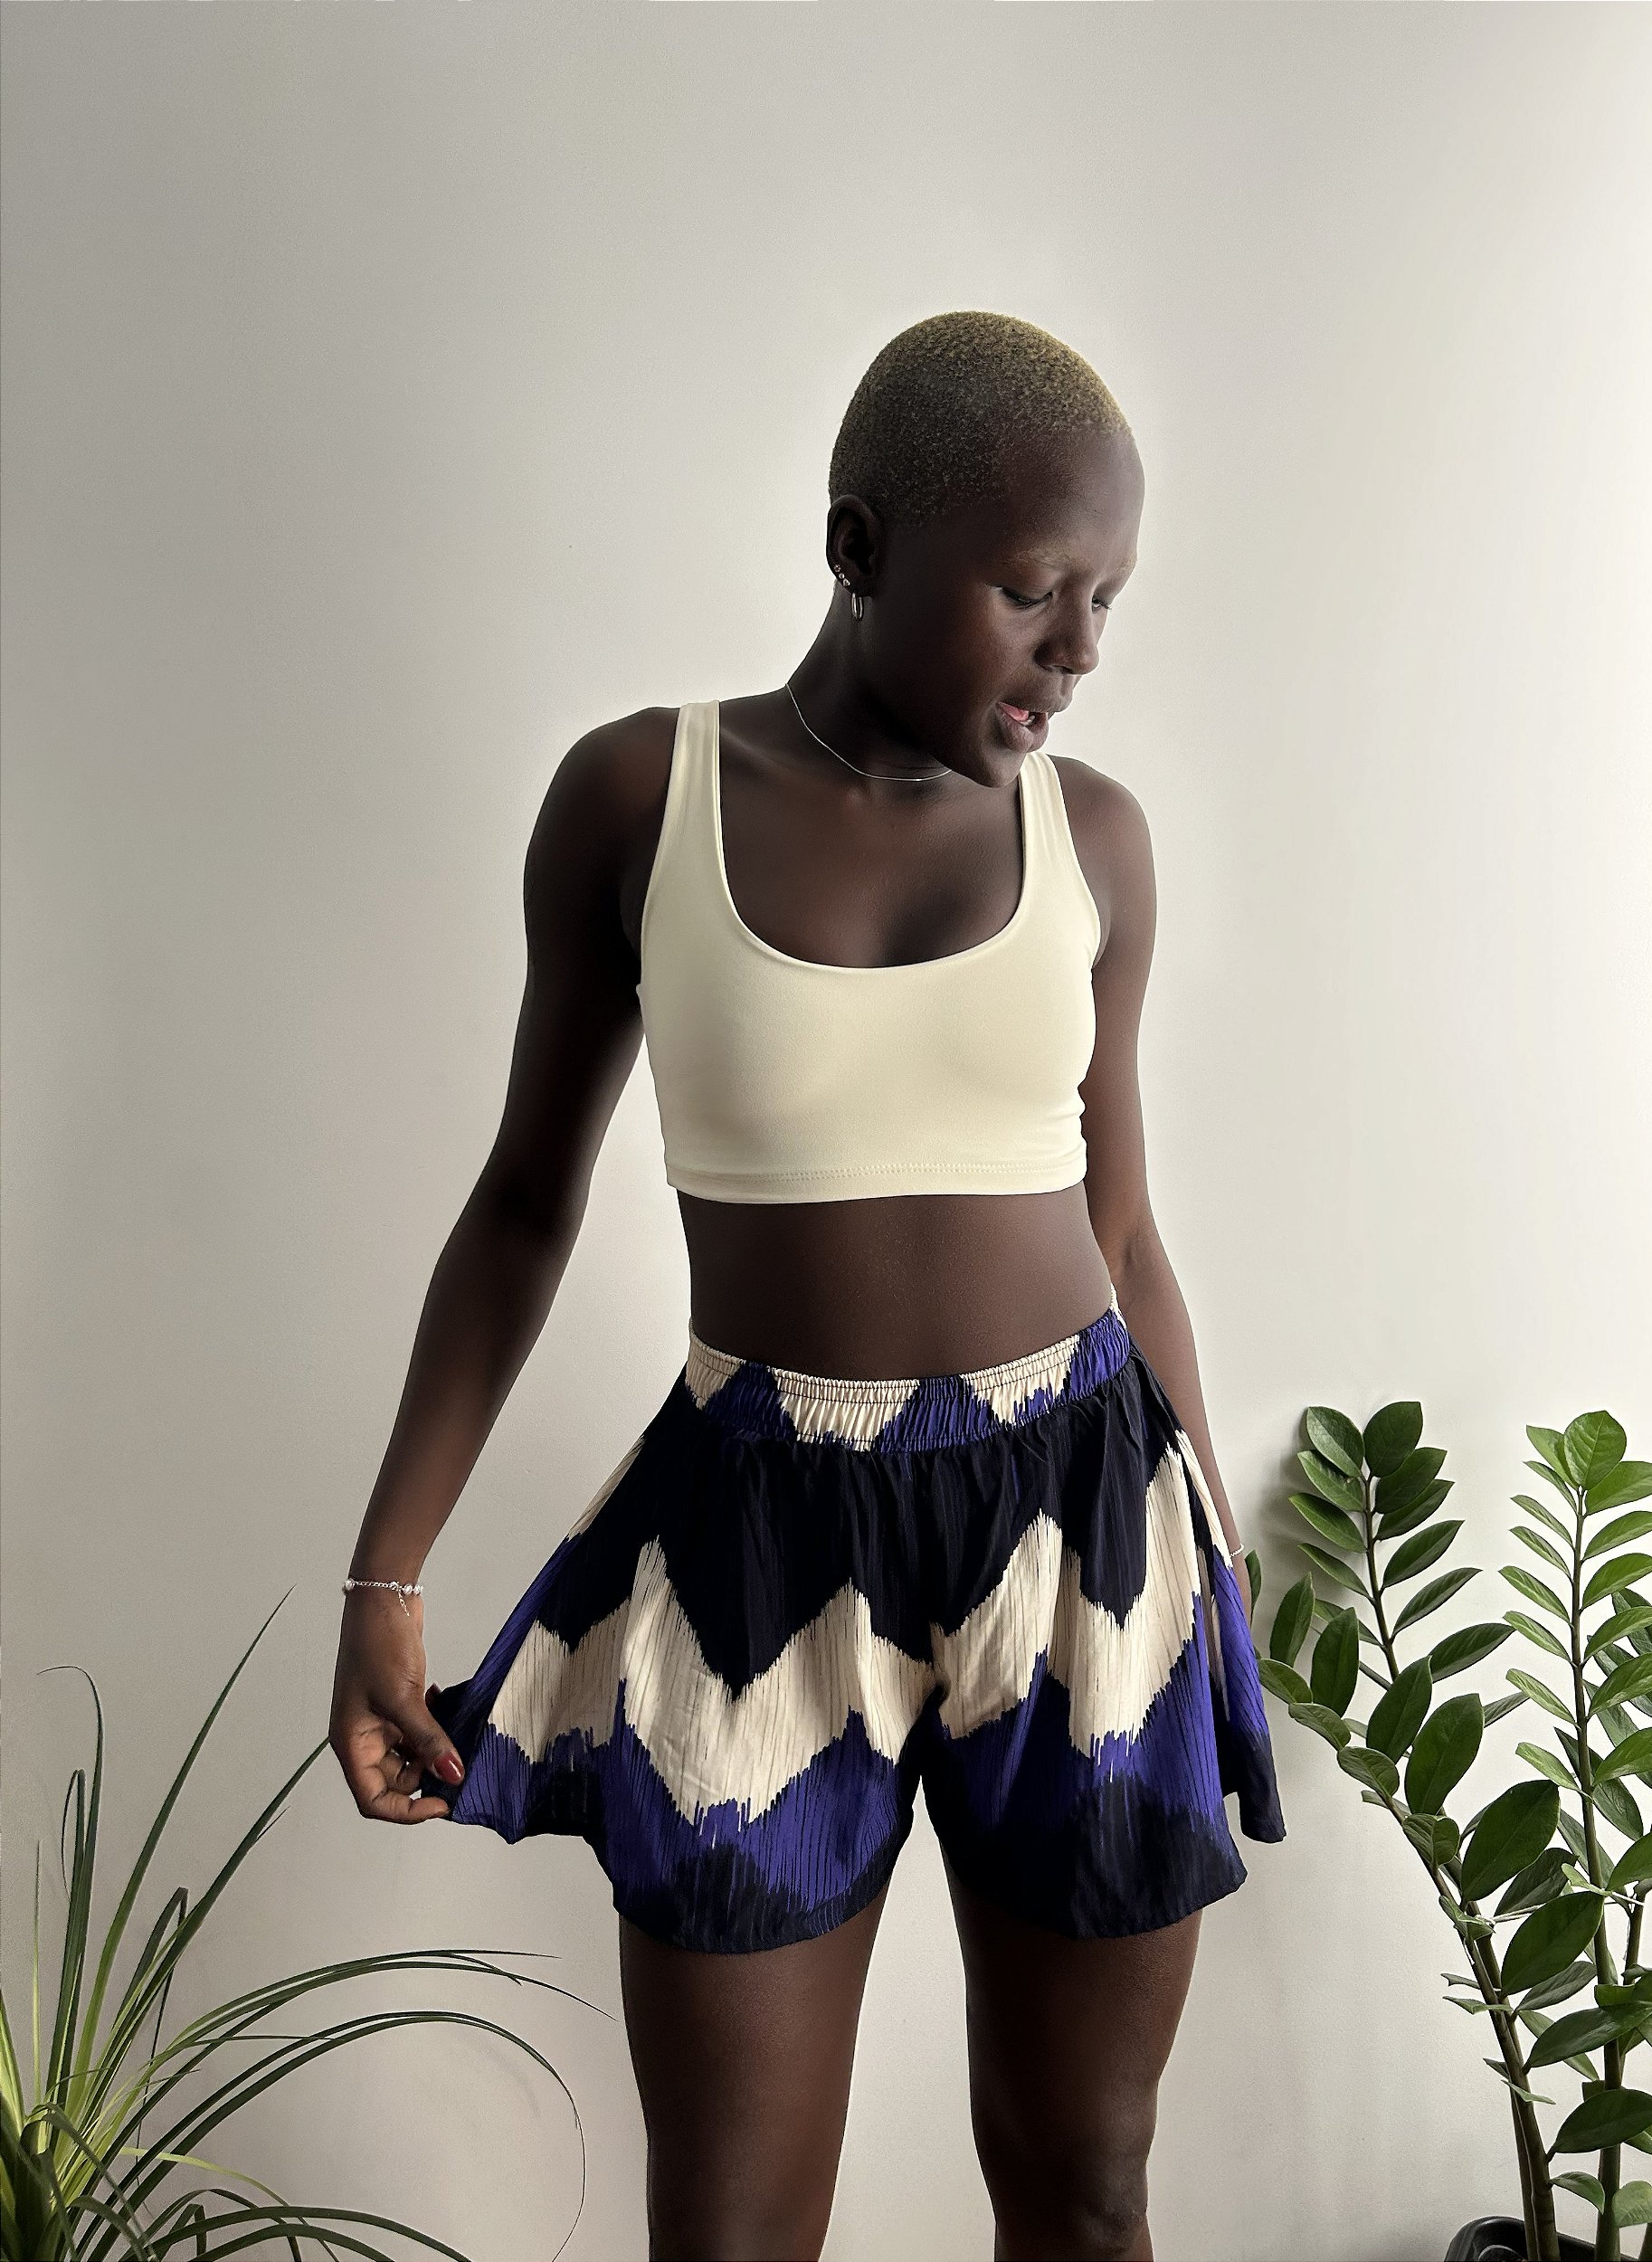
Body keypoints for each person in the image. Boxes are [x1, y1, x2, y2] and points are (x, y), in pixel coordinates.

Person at [329, 309, 1286, 2262]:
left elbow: (1120, 1231)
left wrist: (1205, 1532)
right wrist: (385, 1574)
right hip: (753, 1538)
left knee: (1088, 2186)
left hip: (1083, 1529)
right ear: (858, 546)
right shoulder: (640, 800)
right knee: (733, 2228)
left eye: (1104, 599)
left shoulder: (1097, 840)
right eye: (1031, 589)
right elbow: (521, 1206)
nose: (1078, 648)